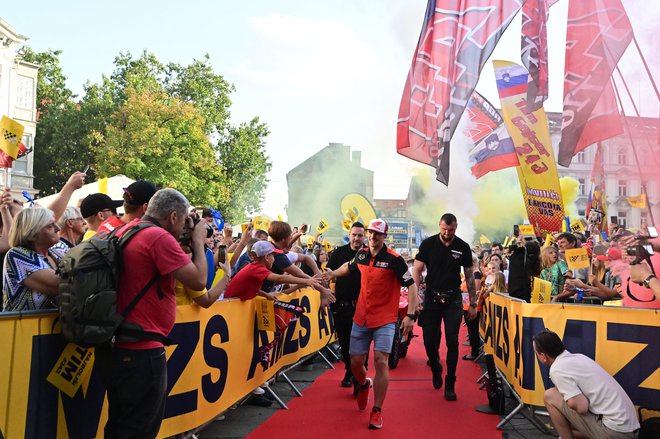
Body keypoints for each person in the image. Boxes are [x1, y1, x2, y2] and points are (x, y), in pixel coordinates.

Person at [95, 188, 209, 438]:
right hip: (142, 350)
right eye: (184, 221)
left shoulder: (127, 230)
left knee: (118, 427)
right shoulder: (158, 238)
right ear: (173, 217)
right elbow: (199, 281)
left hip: (117, 344)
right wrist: (198, 242)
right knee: (140, 429)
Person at [324, 219, 417, 429]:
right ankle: (364, 384)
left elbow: (411, 286)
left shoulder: (394, 260)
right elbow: (347, 268)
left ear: (384, 237)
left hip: (385, 319)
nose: (373, 237)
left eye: (377, 234)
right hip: (361, 317)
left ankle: (377, 410)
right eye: (370, 233)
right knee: (355, 362)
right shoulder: (362, 254)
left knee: (381, 360)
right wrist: (331, 273)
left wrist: (410, 315)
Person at [413, 213, 476, 401]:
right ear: (439, 226)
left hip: (453, 298)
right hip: (431, 297)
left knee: (452, 341)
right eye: (444, 229)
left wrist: (472, 303)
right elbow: (417, 270)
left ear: (456, 227)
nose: (447, 232)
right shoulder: (428, 244)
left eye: (451, 229)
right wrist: (416, 296)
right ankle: (435, 366)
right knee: (429, 341)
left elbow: (470, 276)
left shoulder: (463, 247)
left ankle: (450, 382)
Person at [533, 329, 640, 439]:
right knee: (561, 404)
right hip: (630, 428)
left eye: (536, 353)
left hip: (616, 432)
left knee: (550, 396)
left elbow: (581, 407)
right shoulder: (579, 357)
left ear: (543, 356)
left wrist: (568, 405)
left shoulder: (557, 369)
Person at [325, 222, 366, 388]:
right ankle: (350, 371)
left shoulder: (369, 254)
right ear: (349, 235)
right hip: (343, 307)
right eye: (354, 235)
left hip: (364, 307)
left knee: (361, 345)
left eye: (360, 235)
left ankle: (359, 376)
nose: (357, 238)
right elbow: (327, 274)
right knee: (345, 343)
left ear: (365, 237)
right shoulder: (339, 252)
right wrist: (325, 294)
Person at [2, 207, 62, 312]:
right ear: (32, 234)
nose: (58, 228)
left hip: (54, 326)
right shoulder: (17, 255)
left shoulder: (56, 253)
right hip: (22, 326)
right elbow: (59, 284)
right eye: (50, 226)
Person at [223, 241, 323, 301]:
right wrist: (307, 281)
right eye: (273, 255)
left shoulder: (254, 267)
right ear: (267, 257)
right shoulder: (257, 268)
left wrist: (266, 295)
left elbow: (253, 288)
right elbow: (280, 278)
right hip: (228, 304)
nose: (274, 259)